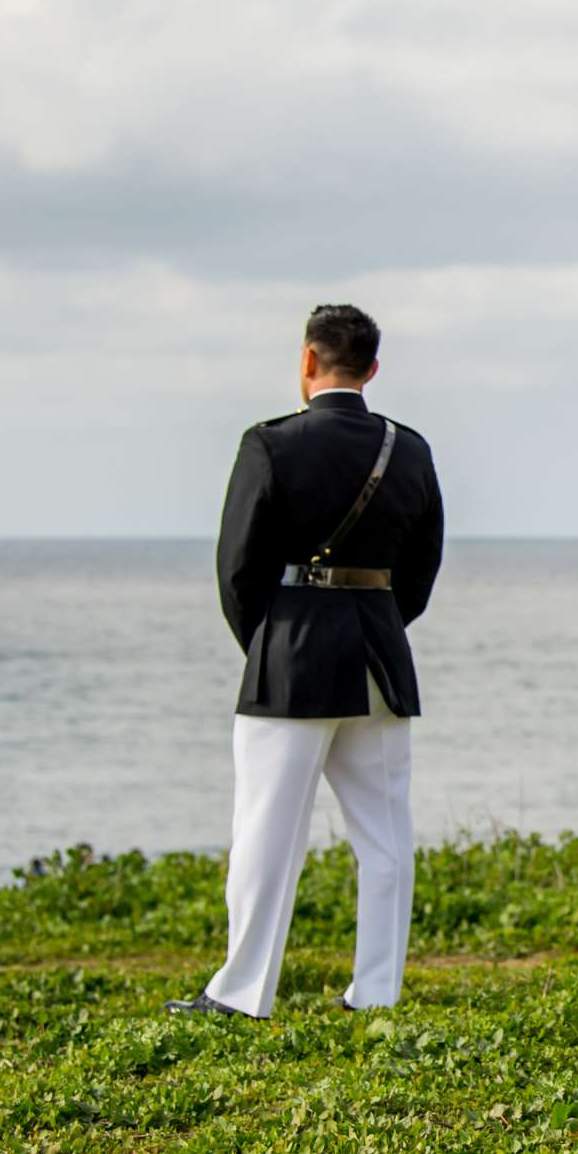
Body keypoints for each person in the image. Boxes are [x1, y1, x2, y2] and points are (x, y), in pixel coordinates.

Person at [166, 304, 446, 1019]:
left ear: (307, 361)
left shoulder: (270, 444)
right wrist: (377, 623)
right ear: (373, 369)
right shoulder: (409, 449)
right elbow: (421, 569)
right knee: (386, 838)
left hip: (291, 656)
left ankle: (241, 994)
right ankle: (376, 993)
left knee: (266, 832)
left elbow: (237, 569)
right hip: (381, 656)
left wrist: (270, 640)